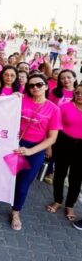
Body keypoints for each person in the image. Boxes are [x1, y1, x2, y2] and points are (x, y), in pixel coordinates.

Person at [0, 74, 62, 231]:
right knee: (1, 177)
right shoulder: (19, 99)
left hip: (34, 150)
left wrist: (31, 151)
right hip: (11, 145)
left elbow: (52, 138)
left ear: (45, 86)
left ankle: (16, 212)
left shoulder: (54, 109)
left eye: (39, 84)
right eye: (31, 85)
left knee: (23, 184)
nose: (35, 88)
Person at [46, 84, 82, 221]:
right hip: (63, 143)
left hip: (81, 148)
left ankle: (70, 205)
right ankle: (58, 201)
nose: (79, 95)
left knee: (76, 178)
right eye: (77, 92)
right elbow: (52, 126)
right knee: (59, 175)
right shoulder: (65, 107)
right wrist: (49, 145)